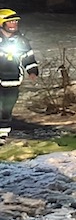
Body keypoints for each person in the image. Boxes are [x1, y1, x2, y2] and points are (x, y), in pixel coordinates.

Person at [0, 9, 39, 139]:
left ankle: (2, 135)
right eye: (10, 22)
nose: (14, 24)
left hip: (13, 80)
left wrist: (32, 71)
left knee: (6, 109)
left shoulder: (21, 41)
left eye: (16, 22)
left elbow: (28, 57)